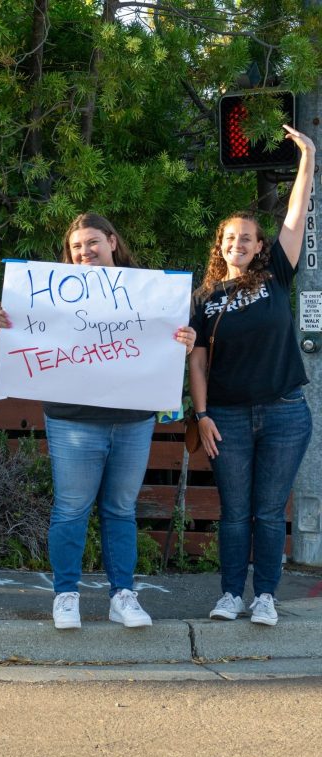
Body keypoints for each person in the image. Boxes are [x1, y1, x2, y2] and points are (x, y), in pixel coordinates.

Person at [0, 213, 195, 629]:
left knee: (120, 510)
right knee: (71, 510)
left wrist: (182, 345)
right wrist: (1, 327)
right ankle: (65, 596)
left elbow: (166, 348)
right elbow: (24, 338)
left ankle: (123, 596)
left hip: (133, 419)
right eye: (77, 246)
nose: (85, 252)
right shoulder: (50, 295)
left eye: (92, 242)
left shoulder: (150, 293)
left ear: (113, 242)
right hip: (73, 421)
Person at [190, 125, 315, 627]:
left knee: (267, 512)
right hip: (226, 417)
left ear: (259, 245)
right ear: (219, 246)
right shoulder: (203, 299)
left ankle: (264, 594)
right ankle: (229, 595)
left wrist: (308, 157)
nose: (236, 243)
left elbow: (295, 216)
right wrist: (201, 415)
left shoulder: (277, 276)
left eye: (245, 237)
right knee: (234, 512)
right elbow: (196, 360)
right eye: (228, 238)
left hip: (285, 413)